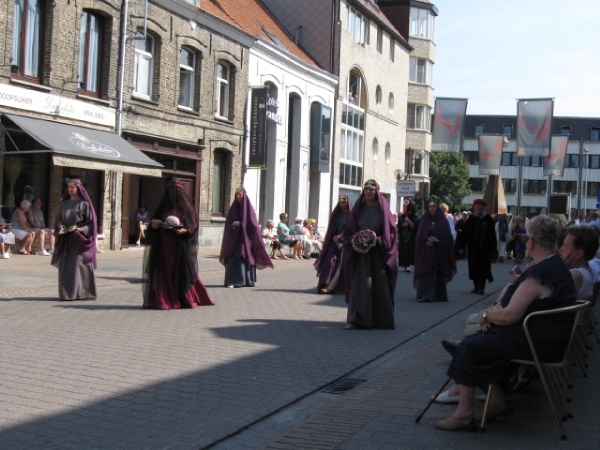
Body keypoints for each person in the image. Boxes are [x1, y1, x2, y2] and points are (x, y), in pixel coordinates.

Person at [434, 215, 577, 431]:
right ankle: (495, 401)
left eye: (526, 237)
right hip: (546, 338)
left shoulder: (539, 274)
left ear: (531, 242)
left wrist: (486, 316)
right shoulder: (554, 264)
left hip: (537, 343)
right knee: (484, 342)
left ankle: (464, 413)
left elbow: (510, 316)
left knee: (467, 348)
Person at [142, 180, 214, 309]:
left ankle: (184, 297)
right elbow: (154, 222)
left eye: (174, 192)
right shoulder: (164, 206)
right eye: (170, 191)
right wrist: (155, 225)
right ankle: (165, 298)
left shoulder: (186, 206)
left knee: (181, 270)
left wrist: (185, 230)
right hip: (164, 243)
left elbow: (193, 224)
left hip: (179, 245)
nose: (172, 194)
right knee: (165, 270)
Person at [342, 179, 397, 330]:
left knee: (378, 284)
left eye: (371, 190)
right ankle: (356, 318)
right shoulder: (358, 209)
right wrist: (356, 240)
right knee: (360, 285)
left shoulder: (382, 209)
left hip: (377, 255)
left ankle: (380, 320)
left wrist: (376, 240)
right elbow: (349, 231)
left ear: (376, 191)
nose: (368, 192)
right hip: (360, 255)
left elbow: (391, 232)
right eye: (366, 189)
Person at [51, 179, 97, 300]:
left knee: (79, 264)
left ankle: (83, 292)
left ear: (78, 189)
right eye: (69, 188)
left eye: (73, 188)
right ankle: (67, 294)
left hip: (79, 239)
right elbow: (58, 219)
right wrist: (60, 225)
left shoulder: (84, 204)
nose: (70, 190)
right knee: (66, 266)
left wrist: (81, 229)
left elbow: (91, 223)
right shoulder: (64, 204)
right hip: (67, 239)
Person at [219, 187, 273, 288]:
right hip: (234, 238)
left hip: (245, 239)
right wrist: (233, 224)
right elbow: (228, 221)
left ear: (244, 195)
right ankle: (233, 280)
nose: (238, 196)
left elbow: (253, 224)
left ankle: (243, 280)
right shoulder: (234, 207)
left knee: (242, 255)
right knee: (232, 258)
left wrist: (241, 223)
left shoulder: (248, 208)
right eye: (237, 195)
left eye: (240, 194)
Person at [414, 200, 457, 302]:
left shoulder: (442, 220)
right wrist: (426, 239)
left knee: (437, 272)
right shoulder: (425, 219)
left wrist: (437, 240)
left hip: (439, 250)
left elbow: (447, 235)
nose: (432, 209)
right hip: (426, 251)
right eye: (430, 207)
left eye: (434, 207)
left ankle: (437, 295)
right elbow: (420, 233)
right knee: (426, 271)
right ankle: (424, 294)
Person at [314, 195, 353, 294]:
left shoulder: (352, 214)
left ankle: (330, 287)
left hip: (345, 242)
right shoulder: (336, 213)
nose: (342, 204)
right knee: (329, 261)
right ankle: (324, 283)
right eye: (340, 202)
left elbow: (351, 228)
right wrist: (333, 237)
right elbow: (331, 227)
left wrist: (340, 236)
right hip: (333, 241)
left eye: (344, 202)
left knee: (340, 264)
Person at [463, 198, 497, 295]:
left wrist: (493, 248)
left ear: (483, 207)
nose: (478, 208)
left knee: (483, 268)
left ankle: (481, 288)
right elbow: (465, 233)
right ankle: (476, 286)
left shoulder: (488, 219)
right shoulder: (471, 219)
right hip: (473, 249)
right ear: (474, 207)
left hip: (484, 250)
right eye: (476, 206)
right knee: (473, 267)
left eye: (480, 206)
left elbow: (492, 235)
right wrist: (462, 246)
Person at [558, 225, 598, 300]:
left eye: (566, 246)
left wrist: (560, 268)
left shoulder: (576, 275)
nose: (560, 249)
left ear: (579, 254)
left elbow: (548, 297)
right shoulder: (586, 270)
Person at [397, 201, 419, 272]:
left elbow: (416, 228)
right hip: (403, 237)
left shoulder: (416, 218)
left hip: (412, 237)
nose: (409, 212)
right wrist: (403, 225)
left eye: (411, 210)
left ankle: (409, 265)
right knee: (403, 251)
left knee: (410, 251)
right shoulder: (401, 217)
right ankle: (404, 265)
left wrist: (409, 222)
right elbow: (398, 227)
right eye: (408, 210)